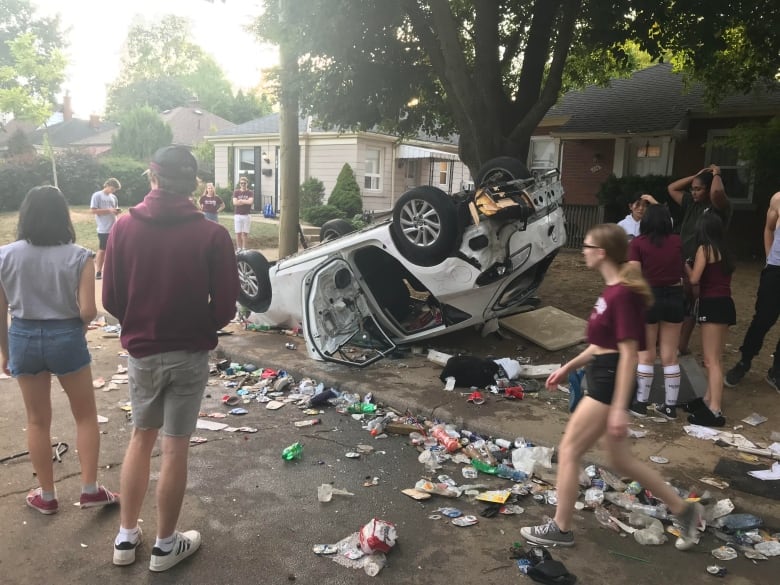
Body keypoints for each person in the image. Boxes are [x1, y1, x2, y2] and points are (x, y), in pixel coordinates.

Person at [520, 223, 702, 548]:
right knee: (620, 461)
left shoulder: (622, 295)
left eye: (588, 246)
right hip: (604, 372)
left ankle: (560, 528)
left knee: (570, 451)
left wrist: (619, 409)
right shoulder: (613, 290)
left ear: (602, 253)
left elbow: (630, 353)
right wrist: (569, 367)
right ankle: (683, 510)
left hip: (610, 381)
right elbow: (603, 343)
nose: (584, 251)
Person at [103, 146, 239, 571]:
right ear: (195, 185)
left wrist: (140, 322)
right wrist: (200, 328)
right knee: (176, 446)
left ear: (152, 177)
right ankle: (165, 546)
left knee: (141, 437)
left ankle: (126, 539)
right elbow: (227, 307)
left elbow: (110, 298)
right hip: (189, 352)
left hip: (143, 352)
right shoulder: (212, 235)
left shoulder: (124, 228)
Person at [0, 186, 118, 515]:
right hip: (65, 334)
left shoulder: (4, 255)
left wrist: (6, 352)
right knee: (85, 416)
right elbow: (87, 311)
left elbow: (1, 311)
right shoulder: (80, 256)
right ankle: (90, 489)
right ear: (62, 216)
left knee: (37, 421)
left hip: (22, 334)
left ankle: (47, 496)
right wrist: (76, 331)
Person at [628, 204, 685, 419]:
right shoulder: (677, 241)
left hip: (648, 297)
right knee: (670, 355)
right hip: (674, 296)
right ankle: (670, 406)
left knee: (646, 353)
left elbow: (634, 275)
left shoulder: (638, 243)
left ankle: (641, 403)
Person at [667, 165, 731, 355]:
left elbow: (718, 191)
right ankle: (675, 343)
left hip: (703, 263)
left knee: (695, 304)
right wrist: (696, 176)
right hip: (683, 260)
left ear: (708, 188)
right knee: (682, 302)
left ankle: (685, 345)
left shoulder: (718, 207)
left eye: (698, 188)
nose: (694, 192)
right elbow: (672, 188)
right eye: (693, 189)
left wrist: (716, 173)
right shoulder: (690, 203)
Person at [724, 191, 780, 391]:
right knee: (763, 319)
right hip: (775, 272)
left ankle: (777, 371)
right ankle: (744, 361)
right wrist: (769, 259)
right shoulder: (777, 200)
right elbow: (769, 228)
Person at [684, 213, 736, 427]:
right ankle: (708, 398)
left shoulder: (704, 249)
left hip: (711, 305)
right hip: (725, 304)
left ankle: (715, 409)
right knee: (717, 357)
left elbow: (695, 279)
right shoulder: (724, 250)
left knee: (710, 360)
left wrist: (686, 265)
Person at [90, 178, 122, 280]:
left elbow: (114, 210)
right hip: (103, 228)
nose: (113, 191)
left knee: (114, 250)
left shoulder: (114, 197)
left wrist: (116, 212)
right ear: (107, 185)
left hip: (114, 227)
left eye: (115, 190)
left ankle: (111, 270)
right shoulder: (97, 195)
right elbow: (93, 211)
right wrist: (109, 210)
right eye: (112, 188)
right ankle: (98, 271)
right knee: (102, 250)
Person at [233, 177, 253, 251]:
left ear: (247, 184)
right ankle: (239, 249)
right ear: (240, 184)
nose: (243, 185)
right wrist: (245, 201)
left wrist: (241, 200)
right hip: (238, 215)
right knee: (238, 233)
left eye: (244, 183)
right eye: (241, 183)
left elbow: (250, 202)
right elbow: (235, 203)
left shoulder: (250, 192)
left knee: (245, 233)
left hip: (246, 215)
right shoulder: (236, 192)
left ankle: (244, 249)